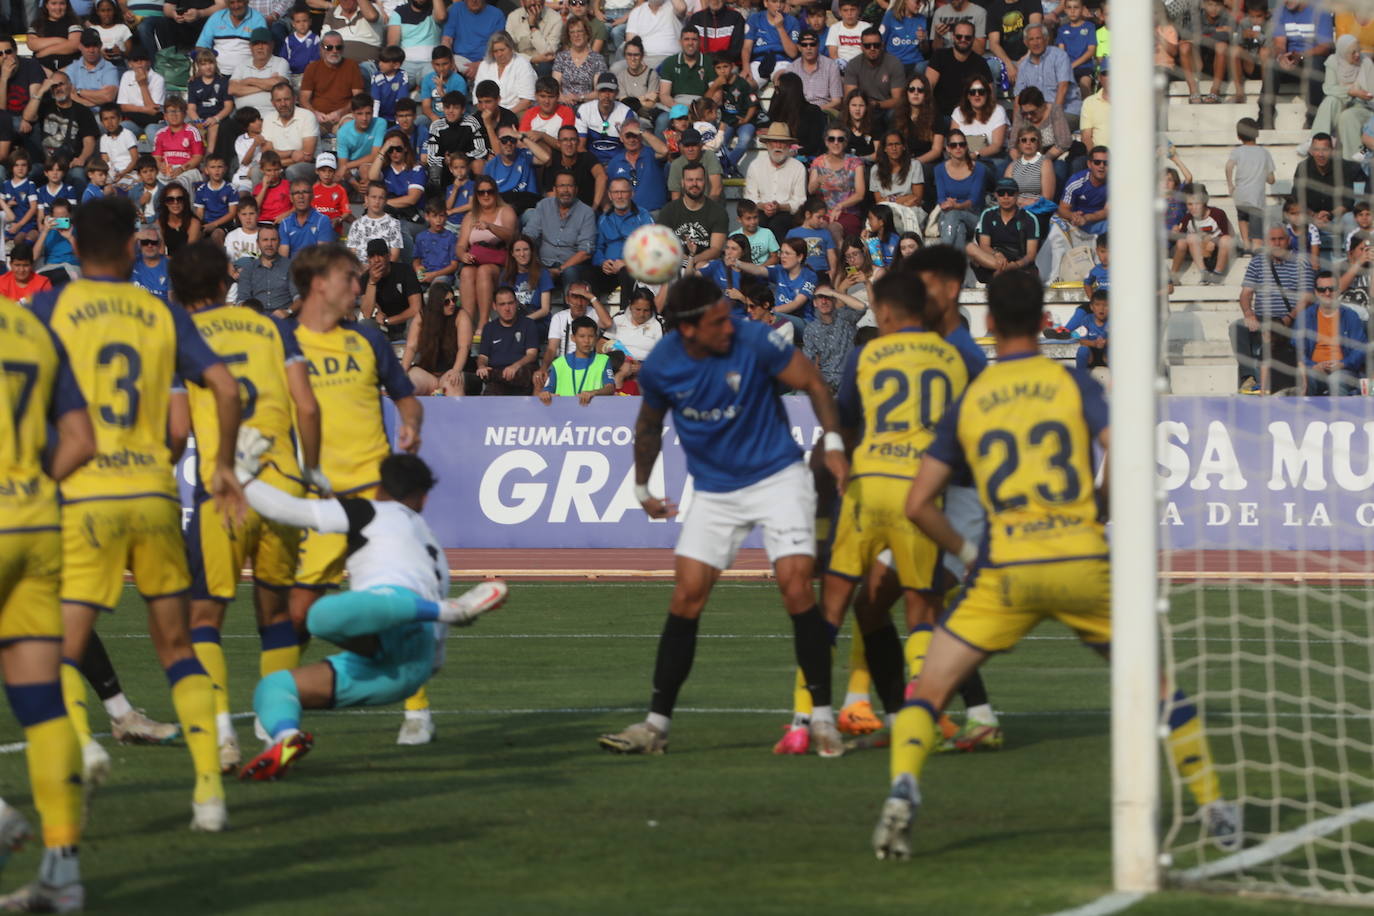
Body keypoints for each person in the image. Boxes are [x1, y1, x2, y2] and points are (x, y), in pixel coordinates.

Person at [872, 268, 1238, 861]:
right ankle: (1213, 804)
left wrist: (967, 554)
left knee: (931, 688)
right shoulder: (1073, 382)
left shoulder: (972, 396)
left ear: (989, 322)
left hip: (1006, 570)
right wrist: (1100, 506)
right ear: (1044, 318)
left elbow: (919, 504)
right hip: (1081, 560)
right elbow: (1125, 449)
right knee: (1158, 686)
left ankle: (903, 790)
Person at [33, 195, 244, 833]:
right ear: (129, 245)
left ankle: (86, 749)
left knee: (59, 649)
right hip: (154, 493)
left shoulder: (51, 307)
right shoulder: (160, 313)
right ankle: (209, 792)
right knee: (178, 647)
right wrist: (224, 464)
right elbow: (224, 389)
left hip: (83, 497)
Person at [597, 273, 850, 757]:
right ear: (689, 329)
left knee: (796, 587)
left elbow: (814, 382)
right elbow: (649, 426)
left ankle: (821, 718)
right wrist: (643, 486)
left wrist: (833, 443)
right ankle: (655, 726)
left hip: (778, 477)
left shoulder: (752, 337)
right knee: (687, 597)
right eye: (717, 320)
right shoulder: (662, 366)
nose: (728, 326)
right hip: (715, 491)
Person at [237, 449, 509, 781]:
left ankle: (447, 609)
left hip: (395, 624)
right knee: (276, 686)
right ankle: (286, 740)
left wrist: (240, 476)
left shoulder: (370, 511)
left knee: (318, 616)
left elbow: (285, 509)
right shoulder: (431, 546)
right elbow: (435, 658)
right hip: (411, 667)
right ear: (422, 497)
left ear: (380, 488)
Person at [169, 239, 321, 773]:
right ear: (222, 283)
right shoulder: (273, 327)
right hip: (282, 487)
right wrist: (312, 470)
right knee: (276, 615)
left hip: (226, 488)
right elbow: (306, 404)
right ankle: (275, 724)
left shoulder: (181, 336)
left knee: (203, 616)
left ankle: (220, 735)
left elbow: (178, 427)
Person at [284, 242, 429, 746]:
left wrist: (410, 426)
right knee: (299, 612)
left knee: (393, 605)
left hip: (376, 499)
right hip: (320, 503)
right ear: (321, 282)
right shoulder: (283, 341)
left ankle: (416, 709)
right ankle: (279, 708)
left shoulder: (366, 339)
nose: (359, 286)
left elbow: (408, 400)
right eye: (350, 278)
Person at [0, 256, 92, 914]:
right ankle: (63, 870)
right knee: (40, 703)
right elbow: (80, 438)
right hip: (35, 523)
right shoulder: (32, 328)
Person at [1232, 223, 1314, 394]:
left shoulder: (1301, 262)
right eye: (1273, 239)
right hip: (1263, 317)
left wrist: (1289, 317)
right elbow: (1245, 294)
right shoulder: (1257, 262)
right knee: (1237, 327)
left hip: (1292, 318)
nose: (1277, 243)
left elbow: (1307, 297)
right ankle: (1248, 378)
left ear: (1289, 240)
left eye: (1281, 239)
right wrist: (1248, 313)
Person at [1038, 145, 1108, 284]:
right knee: (1056, 225)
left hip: (1098, 222)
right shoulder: (1077, 181)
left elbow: (1108, 211)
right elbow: (1063, 208)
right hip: (1074, 222)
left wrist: (1086, 218)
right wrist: (1073, 217)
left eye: (1106, 163)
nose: (1101, 166)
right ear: (1089, 164)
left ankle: (1102, 276)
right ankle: (1053, 277)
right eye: (1097, 162)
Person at [456, 173, 518, 330]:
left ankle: (483, 323)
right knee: (466, 273)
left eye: (489, 191)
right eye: (481, 192)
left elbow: (512, 236)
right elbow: (461, 245)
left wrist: (490, 227)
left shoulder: (505, 211)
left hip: (500, 263)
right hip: (476, 259)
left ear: (495, 193)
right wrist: (463, 254)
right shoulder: (470, 216)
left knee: (483, 271)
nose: (485, 195)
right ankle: (468, 322)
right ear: (476, 195)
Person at [1297, 270, 1367, 395]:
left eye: (1331, 289)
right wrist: (1312, 365)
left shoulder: (1350, 315)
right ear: (1315, 292)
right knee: (1306, 379)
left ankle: (1339, 415)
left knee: (1337, 380)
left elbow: (1360, 348)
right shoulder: (1305, 317)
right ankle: (1309, 414)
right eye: (1322, 290)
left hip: (1344, 370)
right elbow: (1297, 350)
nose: (1327, 293)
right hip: (1315, 368)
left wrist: (1342, 364)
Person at [526, 169, 596, 289]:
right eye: (562, 186)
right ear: (554, 189)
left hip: (571, 265)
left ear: (576, 189)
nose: (566, 190)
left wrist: (559, 269)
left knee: (570, 272)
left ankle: (570, 306)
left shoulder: (586, 212)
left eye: (570, 186)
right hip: (544, 262)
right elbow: (529, 235)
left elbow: (586, 252)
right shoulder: (544, 205)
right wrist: (533, 262)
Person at [22, 72, 97, 183]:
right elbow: (27, 116)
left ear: (70, 86)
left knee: (78, 175)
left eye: (61, 84)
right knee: (29, 173)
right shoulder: (45, 106)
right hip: (45, 163)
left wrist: (82, 158)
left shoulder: (83, 111)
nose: (58, 88)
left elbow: (89, 142)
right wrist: (42, 90)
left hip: (70, 164)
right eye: (54, 86)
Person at [657, 160, 727, 271]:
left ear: (705, 182)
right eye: (690, 180)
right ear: (682, 182)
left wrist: (691, 259)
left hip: (704, 263)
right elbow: (663, 244)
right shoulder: (668, 210)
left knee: (703, 267)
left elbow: (715, 250)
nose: (694, 184)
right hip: (676, 262)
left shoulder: (718, 211)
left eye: (699, 180)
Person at [968, 177, 1040, 283]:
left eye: (1010, 193)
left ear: (1017, 194)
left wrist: (1015, 265)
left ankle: (1003, 273)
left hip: (1018, 262)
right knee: (970, 247)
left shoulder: (1029, 218)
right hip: (994, 261)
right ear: (996, 195)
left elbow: (1031, 254)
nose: (1006, 197)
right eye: (1001, 193)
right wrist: (996, 254)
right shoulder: (988, 214)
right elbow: (984, 245)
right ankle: (1002, 271)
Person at [402, 285, 470, 396]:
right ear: (437, 304)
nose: (452, 304)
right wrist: (403, 370)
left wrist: (456, 370)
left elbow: (464, 347)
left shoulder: (461, 315)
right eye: (447, 302)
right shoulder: (423, 316)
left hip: (451, 370)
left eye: (454, 299)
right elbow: (411, 347)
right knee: (406, 386)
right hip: (426, 372)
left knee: (453, 386)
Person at [595, 175, 655, 300]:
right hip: (609, 270)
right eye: (615, 192)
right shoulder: (603, 219)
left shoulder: (643, 216)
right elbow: (597, 247)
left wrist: (627, 263)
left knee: (626, 272)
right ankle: (591, 317)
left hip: (634, 269)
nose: (619, 196)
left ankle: (625, 315)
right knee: (586, 275)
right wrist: (602, 263)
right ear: (610, 195)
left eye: (623, 192)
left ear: (631, 193)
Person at [743, 122, 806, 239]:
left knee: (778, 223)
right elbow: (750, 198)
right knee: (758, 222)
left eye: (782, 142)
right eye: (774, 141)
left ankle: (780, 256)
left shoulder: (798, 167)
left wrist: (780, 207)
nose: (778, 145)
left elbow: (800, 201)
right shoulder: (755, 165)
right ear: (767, 144)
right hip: (760, 210)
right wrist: (763, 206)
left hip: (786, 212)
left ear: (788, 145)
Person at [538, 314, 615, 404]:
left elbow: (610, 388)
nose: (586, 341)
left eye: (591, 336)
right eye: (582, 336)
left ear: (596, 338)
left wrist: (593, 393)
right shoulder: (559, 363)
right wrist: (545, 394)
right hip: (564, 414)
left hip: (593, 413)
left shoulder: (603, 360)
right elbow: (547, 390)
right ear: (573, 338)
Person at [478, 286, 540, 395]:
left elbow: (532, 354)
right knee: (489, 393)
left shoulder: (528, 324)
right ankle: (495, 375)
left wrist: (515, 366)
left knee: (521, 373)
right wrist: (481, 366)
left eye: (510, 303)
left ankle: (495, 375)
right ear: (494, 306)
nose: (507, 308)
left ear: (516, 303)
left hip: (521, 375)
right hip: (499, 381)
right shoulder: (489, 328)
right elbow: (483, 357)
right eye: (502, 304)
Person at [934, 128, 989, 252]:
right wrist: (947, 205)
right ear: (947, 148)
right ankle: (957, 266)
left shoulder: (979, 169)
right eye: (953, 145)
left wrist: (956, 206)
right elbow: (941, 198)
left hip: (973, 216)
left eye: (962, 144)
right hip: (948, 215)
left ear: (966, 146)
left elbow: (974, 200)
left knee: (954, 214)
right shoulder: (939, 169)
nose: (958, 148)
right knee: (959, 228)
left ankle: (943, 253)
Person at [300, 32, 365, 134]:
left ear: (343, 49)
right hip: (318, 118)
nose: (334, 51)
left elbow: (359, 97)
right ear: (321, 49)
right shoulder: (312, 68)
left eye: (338, 47)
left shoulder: (352, 66)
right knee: (307, 129)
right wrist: (315, 113)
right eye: (329, 47)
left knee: (348, 125)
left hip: (344, 116)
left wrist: (341, 112)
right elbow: (304, 99)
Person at [1170, 184, 1233, 286]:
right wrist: (1175, 232)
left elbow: (1230, 236)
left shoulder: (1218, 214)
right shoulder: (1187, 218)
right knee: (1185, 239)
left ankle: (1217, 274)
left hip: (1216, 253)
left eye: (1197, 203)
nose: (1194, 208)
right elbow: (1180, 243)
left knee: (1226, 239)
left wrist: (1214, 241)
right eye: (1190, 204)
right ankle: (1204, 274)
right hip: (1198, 252)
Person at [925, 20, 990, 118]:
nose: (963, 40)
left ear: (973, 39)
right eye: (959, 36)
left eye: (967, 37)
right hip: (941, 115)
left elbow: (990, 93)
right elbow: (928, 86)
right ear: (953, 37)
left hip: (969, 116)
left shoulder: (980, 62)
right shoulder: (940, 56)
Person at [361, 237, 423, 340]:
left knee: (417, 319)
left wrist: (388, 321)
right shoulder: (365, 278)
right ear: (368, 259)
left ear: (388, 256)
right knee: (365, 324)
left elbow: (416, 308)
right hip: (384, 328)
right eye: (372, 256)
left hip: (407, 323)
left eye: (380, 255)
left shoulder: (405, 271)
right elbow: (367, 313)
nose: (376, 260)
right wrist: (372, 282)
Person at [1012, 23, 1078, 117]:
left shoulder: (1060, 56)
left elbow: (1063, 88)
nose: (1035, 43)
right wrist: (1016, 128)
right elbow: (1018, 98)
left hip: (1065, 111)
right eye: (1031, 39)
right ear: (1026, 43)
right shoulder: (1023, 66)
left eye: (1038, 38)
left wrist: (1053, 117)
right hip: (1037, 114)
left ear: (1046, 40)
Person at [841, 27, 904, 124]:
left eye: (876, 45)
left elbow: (898, 100)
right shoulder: (853, 64)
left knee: (894, 114)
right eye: (867, 46)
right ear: (861, 47)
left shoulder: (894, 63)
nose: (872, 48)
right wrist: (865, 105)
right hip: (861, 107)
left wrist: (877, 104)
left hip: (885, 108)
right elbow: (850, 98)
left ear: (882, 45)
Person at [801, 287, 860, 391]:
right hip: (825, 379)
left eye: (827, 297)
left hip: (849, 378)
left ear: (834, 300)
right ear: (815, 303)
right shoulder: (811, 329)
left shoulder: (846, 317)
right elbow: (809, 359)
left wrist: (834, 293)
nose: (824, 301)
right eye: (820, 298)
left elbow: (862, 307)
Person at [605, 119, 668, 213]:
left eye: (635, 135)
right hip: (628, 216)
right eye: (628, 136)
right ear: (621, 138)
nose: (632, 140)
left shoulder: (651, 153)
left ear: (641, 137)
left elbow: (664, 151)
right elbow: (608, 190)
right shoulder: (615, 162)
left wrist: (641, 131)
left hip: (654, 213)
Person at [262, 83, 319, 183]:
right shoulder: (268, 119)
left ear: (294, 98)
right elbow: (268, 153)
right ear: (272, 103)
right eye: (278, 100)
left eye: (287, 99)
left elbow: (307, 157)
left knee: (292, 171)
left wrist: (274, 165)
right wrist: (291, 153)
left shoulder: (307, 116)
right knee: (256, 172)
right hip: (277, 166)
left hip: (310, 166)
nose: (283, 104)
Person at [234, 223, 297, 311]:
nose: (269, 244)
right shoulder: (248, 268)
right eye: (265, 240)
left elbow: (298, 298)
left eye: (273, 240)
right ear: (258, 243)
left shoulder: (291, 266)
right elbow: (242, 300)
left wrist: (288, 312)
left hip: (284, 318)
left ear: (279, 242)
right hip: (257, 319)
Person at [195, 0, 266, 75]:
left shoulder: (258, 19)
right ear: (226, 4)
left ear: (247, 1)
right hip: (217, 74)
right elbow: (201, 46)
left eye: (239, 1)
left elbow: (263, 51)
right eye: (232, 2)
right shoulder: (216, 17)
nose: (236, 6)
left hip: (246, 75)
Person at [228, 28, 290, 115]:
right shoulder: (242, 65)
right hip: (244, 117)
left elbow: (279, 85)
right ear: (250, 47)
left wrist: (249, 80)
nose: (260, 47)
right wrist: (268, 86)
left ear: (272, 45)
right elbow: (232, 89)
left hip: (272, 114)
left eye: (264, 43)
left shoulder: (281, 62)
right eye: (256, 43)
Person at [442, 0, 506, 79]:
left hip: (486, 61)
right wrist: (449, 60)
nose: (474, 1)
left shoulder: (497, 14)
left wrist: (481, 65)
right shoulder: (456, 9)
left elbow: (498, 47)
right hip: (459, 59)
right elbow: (447, 40)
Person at [741, 0, 799, 86]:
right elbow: (747, 48)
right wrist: (746, 67)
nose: (778, 5)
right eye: (774, 1)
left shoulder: (792, 21)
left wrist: (780, 27)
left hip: (782, 60)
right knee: (743, 85)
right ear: (765, 3)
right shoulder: (754, 19)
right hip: (759, 60)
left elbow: (793, 53)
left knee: (784, 83)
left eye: (782, 2)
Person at [346, 180, 405, 262]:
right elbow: (352, 255)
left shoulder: (393, 224)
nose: (377, 201)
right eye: (373, 197)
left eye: (381, 198)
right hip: (361, 271)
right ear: (366, 199)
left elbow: (394, 257)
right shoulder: (356, 225)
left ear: (385, 201)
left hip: (384, 269)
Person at [63, 29, 117, 112]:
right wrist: (93, 101)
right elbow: (68, 95)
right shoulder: (72, 69)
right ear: (80, 46)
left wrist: (78, 91)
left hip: (101, 117)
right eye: (87, 46)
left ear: (100, 46)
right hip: (78, 114)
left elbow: (108, 97)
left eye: (95, 45)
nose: (91, 50)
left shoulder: (110, 68)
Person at [507, 0, 561, 79]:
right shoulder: (513, 17)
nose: (532, 2)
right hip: (519, 61)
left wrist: (533, 27)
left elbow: (549, 53)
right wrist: (531, 59)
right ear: (522, 2)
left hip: (543, 65)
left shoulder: (555, 19)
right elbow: (509, 50)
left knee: (545, 66)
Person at [625, 0, 686, 70]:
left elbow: (682, 8)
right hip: (643, 58)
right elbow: (630, 41)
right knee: (616, 68)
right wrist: (638, 60)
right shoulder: (636, 12)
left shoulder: (673, 7)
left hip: (670, 57)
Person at [131, 224, 170, 301]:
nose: (149, 245)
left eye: (153, 242)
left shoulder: (170, 267)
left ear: (159, 244)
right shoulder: (131, 261)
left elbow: (173, 303)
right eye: (145, 242)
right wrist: (135, 236)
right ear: (139, 244)